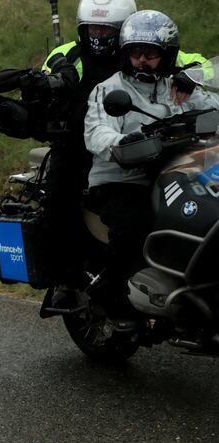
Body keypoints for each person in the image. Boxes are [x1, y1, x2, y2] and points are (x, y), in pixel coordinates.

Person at [84, 10, 219, 332]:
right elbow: (96, 132)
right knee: (133, 226)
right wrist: (124, 141)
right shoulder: (109, 89)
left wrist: (195, 80)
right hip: (122, 177)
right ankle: (109, 295)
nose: (142, 60)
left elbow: (214, 111)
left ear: (166, 54)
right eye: (135, 52)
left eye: (150, 53)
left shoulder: (179, 86)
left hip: (177, 170)